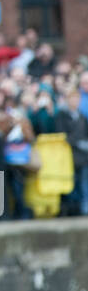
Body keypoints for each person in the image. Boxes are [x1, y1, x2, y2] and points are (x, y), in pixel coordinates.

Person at [55, 88, 88, 216]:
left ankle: (83, 209)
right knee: (71, 184)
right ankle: (72, 210)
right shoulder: (62, 117)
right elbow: (63, 136)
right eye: (72, 98)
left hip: (83, 157)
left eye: (77, 98)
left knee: (84, 184)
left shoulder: (82, 117)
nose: (75, 101)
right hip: (69, 157)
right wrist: (78, 141)